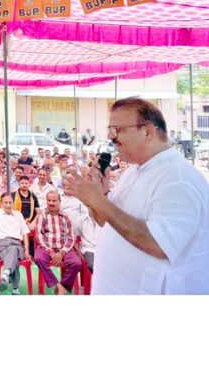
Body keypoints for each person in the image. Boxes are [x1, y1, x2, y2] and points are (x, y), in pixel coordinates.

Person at [64, 97, 209, 294]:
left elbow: (159, 244)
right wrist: (97, 196)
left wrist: (97, 200)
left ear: (147, 131)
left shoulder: (177, 178)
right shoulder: (135, 170)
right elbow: (106, 221)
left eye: (117, 130)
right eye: (110, 129)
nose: (110, 137)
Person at [33, 191, 81, 295]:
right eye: (49, 200)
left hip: (64, 248)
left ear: (59, 201)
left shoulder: (65, 217)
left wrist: (62, 252)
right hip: (46, 247)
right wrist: (51, 252)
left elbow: (71, 237)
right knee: (38, 258)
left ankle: (63, 286)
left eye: (54, 200)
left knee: (77, 263)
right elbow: (39, 237)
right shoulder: (42, 216)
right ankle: (58, 285)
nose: (51, 203)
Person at [0, 193, 31, 294]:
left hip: (17, 244)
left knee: (13, 250)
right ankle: (15, 288)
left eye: (10, 202)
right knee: (13, 255)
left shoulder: (18, 214)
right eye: (5, 203)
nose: (8, 205)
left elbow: (25, 234)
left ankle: (5, 275)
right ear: (1, 204)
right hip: (1, 245)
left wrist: (27, 251)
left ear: (13, 204)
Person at [60, 187, 97, 274]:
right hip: (89, 249)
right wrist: (78, 251)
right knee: (93, 265)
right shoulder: (81, 220)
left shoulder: (105, 220)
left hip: (103, 249)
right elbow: (72, 236)